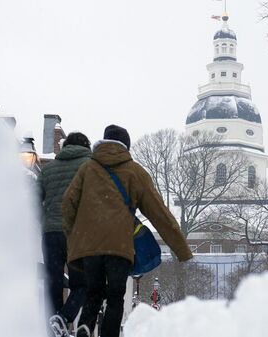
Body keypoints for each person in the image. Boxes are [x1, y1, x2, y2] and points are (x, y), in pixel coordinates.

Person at [61, 125, 193, 337]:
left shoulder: (87, 169)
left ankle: (85, 328)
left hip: (88, 246)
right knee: (115, 296)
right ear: (126, 147)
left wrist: (74, 235)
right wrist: (181, 249)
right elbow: (159, 213)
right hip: (119, 248)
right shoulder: (135, 172)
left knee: (93, 292)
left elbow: (68, 204)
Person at [37, 132, 92, 337]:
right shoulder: (90, 167)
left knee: (53, 281)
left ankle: (52, 330)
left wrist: (44, 219)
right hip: (77, 233)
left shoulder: (48, 169)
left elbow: (33, 200)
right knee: (82, 284)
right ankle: (64, 317)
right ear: (86, 146)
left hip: (50, 233)